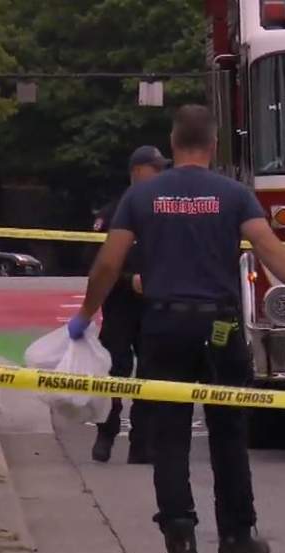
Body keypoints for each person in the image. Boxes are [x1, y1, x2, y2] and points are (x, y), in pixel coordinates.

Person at [66, 105, 285, 553]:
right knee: (228, 432)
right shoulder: (233, 195)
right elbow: (269, 249)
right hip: (220, 329)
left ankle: (180, 547)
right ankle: (235, 541)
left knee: (169, 436)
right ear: (212, 145)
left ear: (172, 144)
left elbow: (108, 263)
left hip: (164, 328)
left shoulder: (140, 196)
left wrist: (86, 315)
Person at [90, 146, 169, 465]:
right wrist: (127, 280)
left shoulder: (165, 211)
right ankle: (106, 434)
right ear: (137, 171)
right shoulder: (112, 213)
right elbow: (94, 263)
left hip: (153, 306)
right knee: (115, 372)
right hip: (120, 307)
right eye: (156, 168)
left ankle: (142, 443)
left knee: (150, 374)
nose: (161, 174)